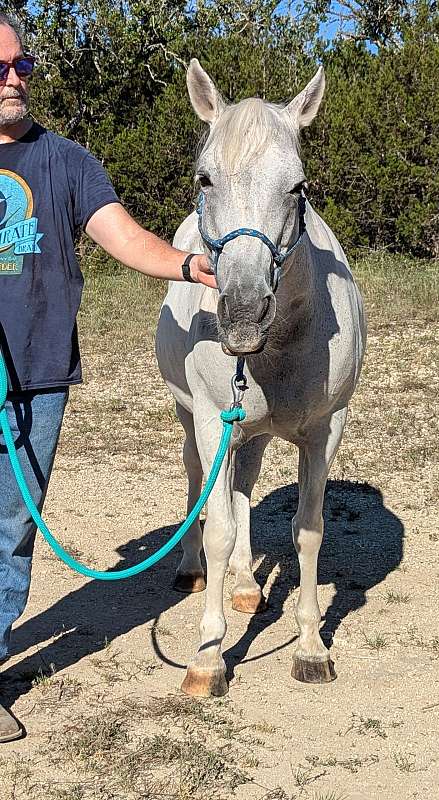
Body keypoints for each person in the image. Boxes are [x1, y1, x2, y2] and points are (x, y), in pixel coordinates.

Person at [0, 14, 216, 742]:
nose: (14, 78)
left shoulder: (65, 162)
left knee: (8, 532)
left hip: (35, 377)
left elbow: (120, 234)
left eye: (21, 64)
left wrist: (190, 266)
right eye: (0, 67)